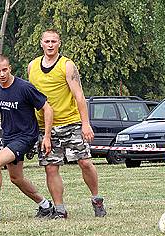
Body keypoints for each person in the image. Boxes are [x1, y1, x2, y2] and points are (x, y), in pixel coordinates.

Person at [28, 29, 107, 219]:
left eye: (54, 41)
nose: (50, 44)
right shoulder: (32, 66)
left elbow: (79, 95)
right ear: (41, 43)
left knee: (85, 162)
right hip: (45, 127)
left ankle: (96, 199)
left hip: (71, 123)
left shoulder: (67, 65)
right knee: (51, 167)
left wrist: (85, 124)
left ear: (59, 43)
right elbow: (30, 97)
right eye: (47, 41)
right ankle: (60, 209)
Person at [0, 54, 54, 222]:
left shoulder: (24, 87)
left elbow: (47, 108)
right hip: (9, 137)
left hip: (26, 137)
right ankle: (46, 206)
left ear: (10, 68)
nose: (2, 74)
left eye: (4, 70)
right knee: (16, 178)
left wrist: (46, 136)